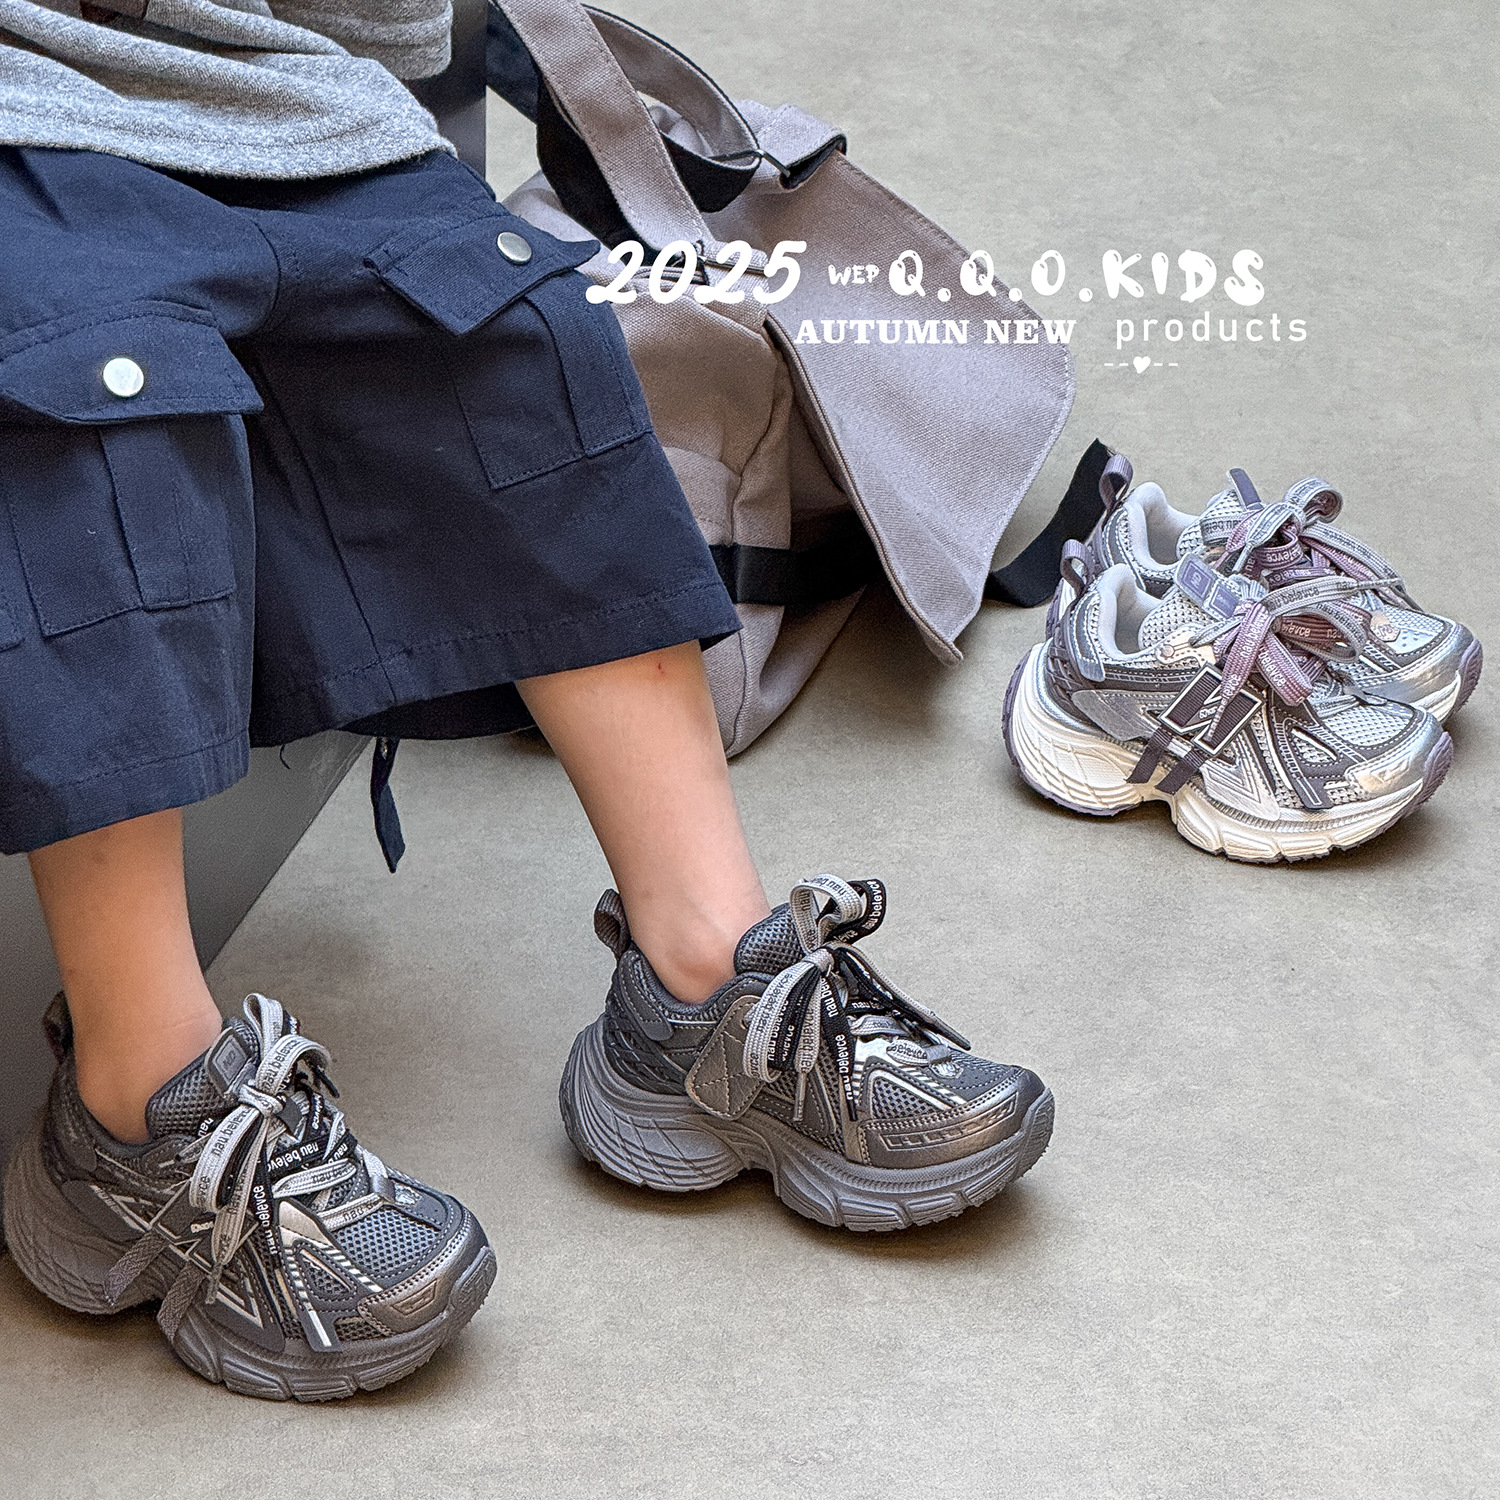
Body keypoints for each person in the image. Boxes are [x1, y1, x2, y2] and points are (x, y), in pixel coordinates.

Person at [0, 0, 1053, 1401]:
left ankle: (705, 982)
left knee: (512, 330)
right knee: (88, 403)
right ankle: (139, 1107)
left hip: (243, 86)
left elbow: (385, 28)